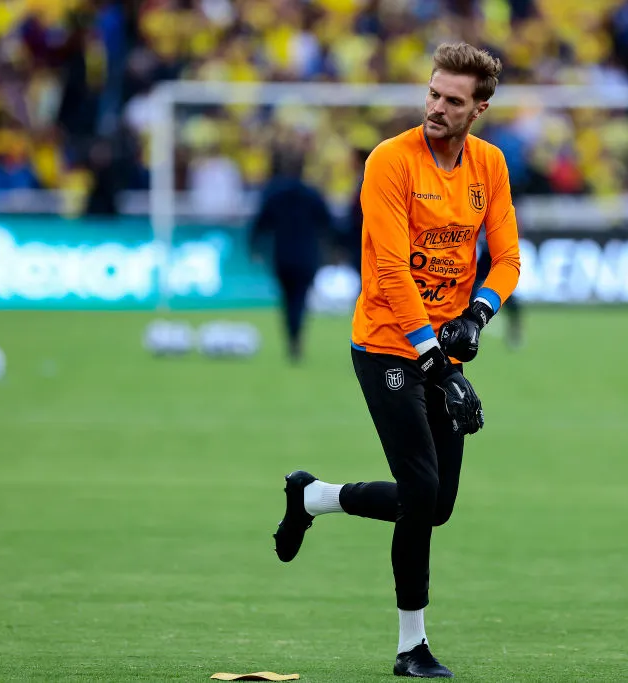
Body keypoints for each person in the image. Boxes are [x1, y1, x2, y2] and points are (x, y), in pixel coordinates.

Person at [272, 43, 521, 678]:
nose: (436, 107)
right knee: (421, 490)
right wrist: (435, 360)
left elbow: (508, 260)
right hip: (387, 343)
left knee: (436, 506)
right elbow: (388, 270)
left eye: (453, 100)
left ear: (478, 109)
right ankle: (412, 647)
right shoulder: (389, 160)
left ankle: (313, 497)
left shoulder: (490, 165)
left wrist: (477, 315)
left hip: (442, 349)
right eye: (433, 93)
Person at [250, 145, 334, 362]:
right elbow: (327, 223)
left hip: (282, 255)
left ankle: (291, 336)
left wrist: (254, 248)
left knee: (286, 298)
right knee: (300, 298)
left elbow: (260, 224)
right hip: (306, 255)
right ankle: (296, 336)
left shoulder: (275, 194)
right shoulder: (312, 194)